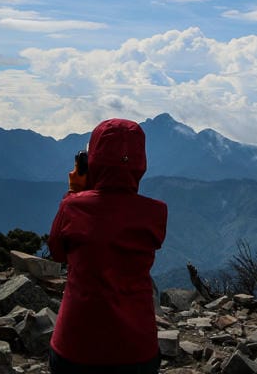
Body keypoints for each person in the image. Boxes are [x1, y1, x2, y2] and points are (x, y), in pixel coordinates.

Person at [47, 118, 168, 374]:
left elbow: (58, 252)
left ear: (92, 161)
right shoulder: (156, 213)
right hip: (137, 349)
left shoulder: (72, 207)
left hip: (75, 345)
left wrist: (76, 191)